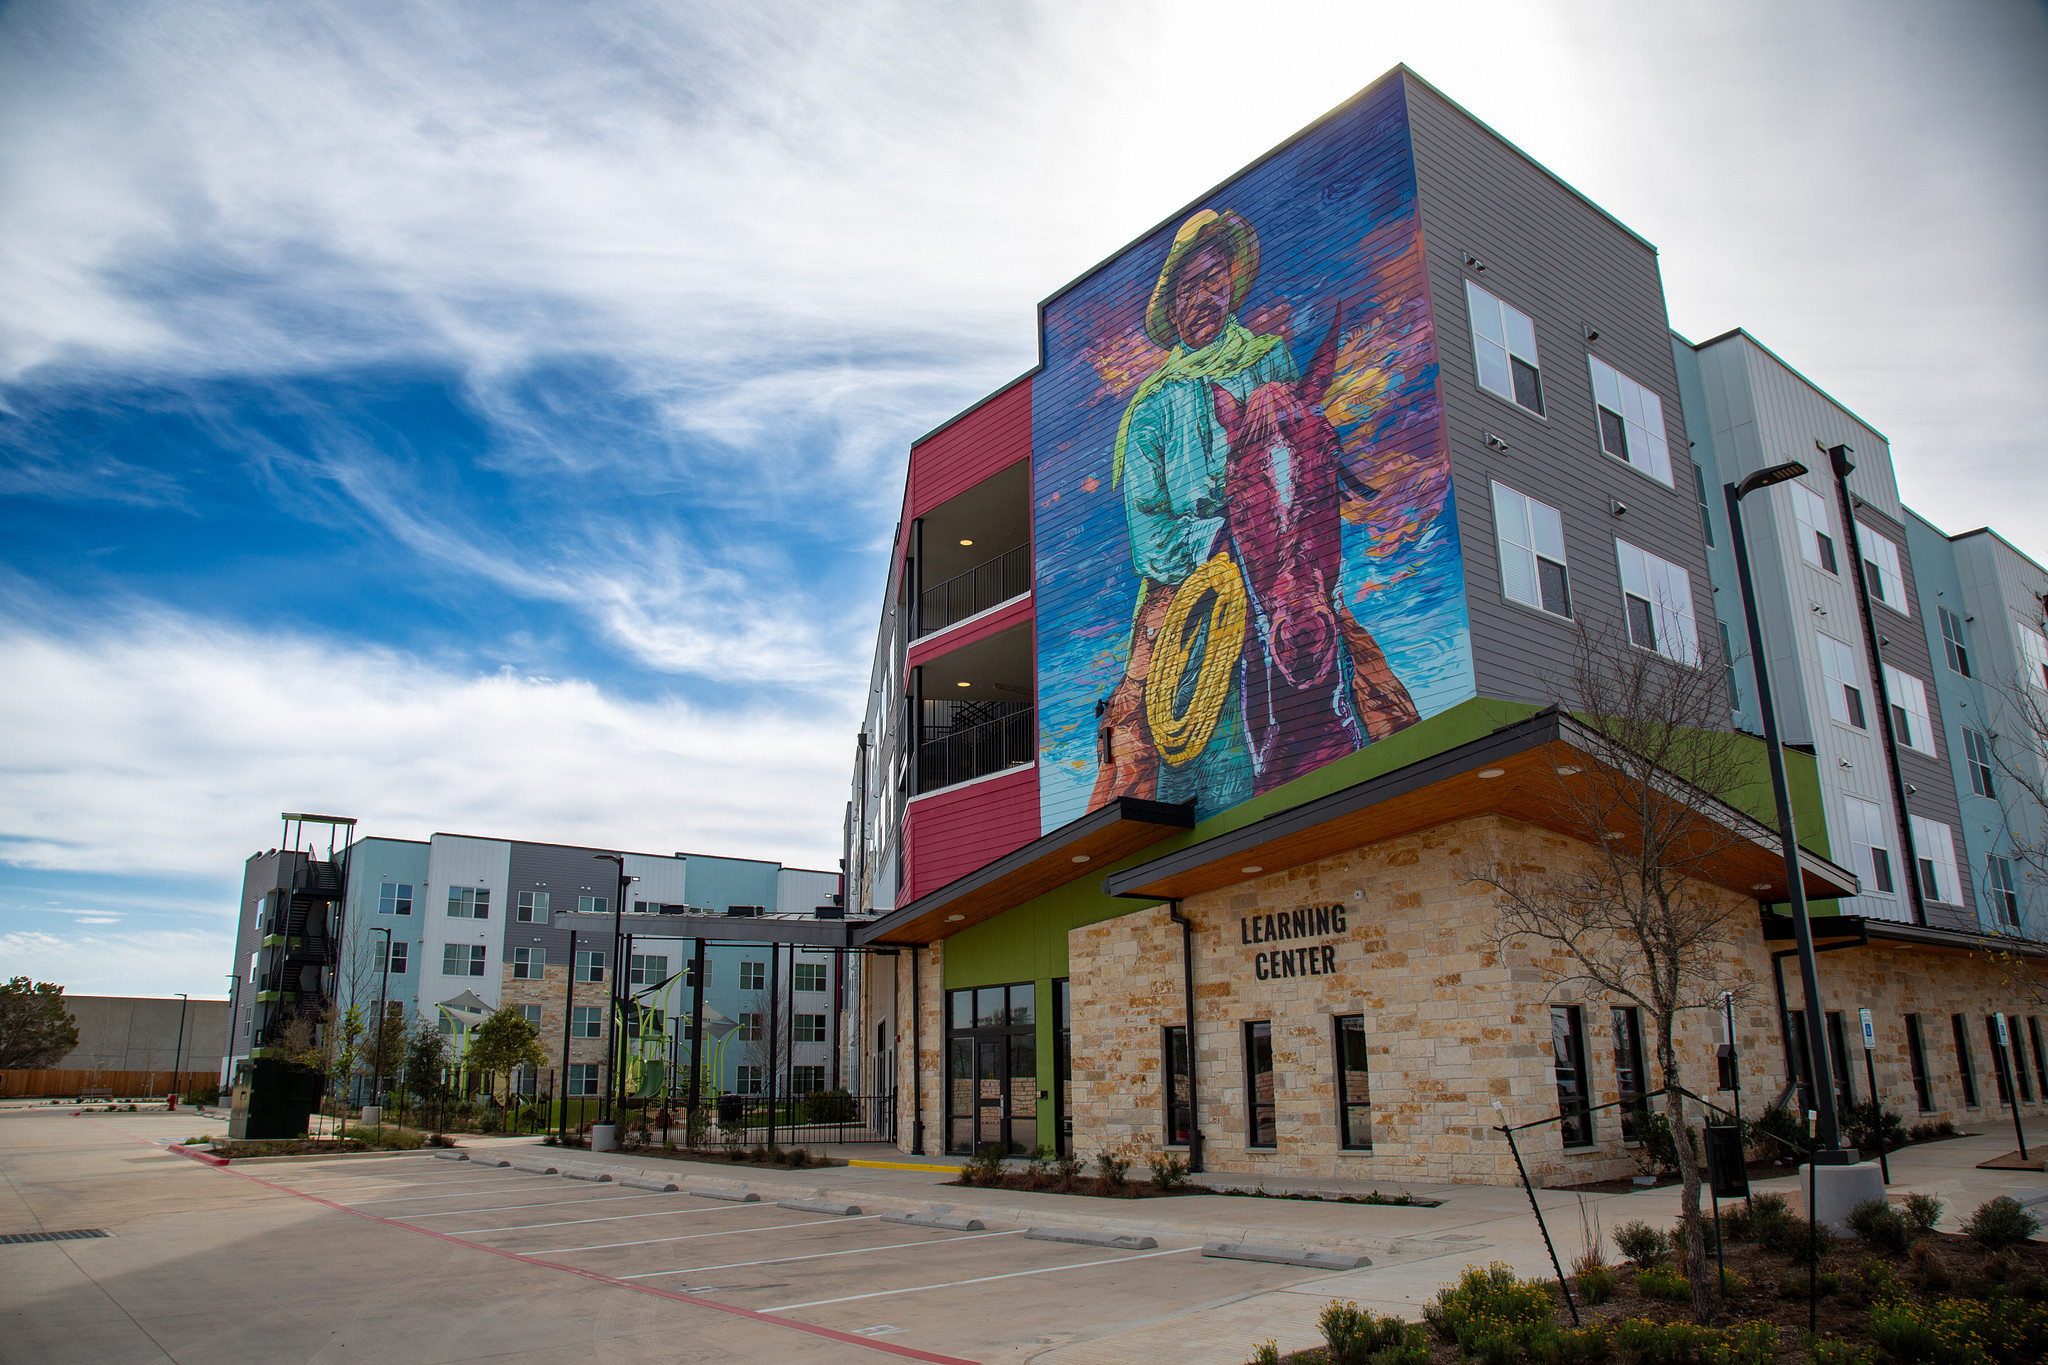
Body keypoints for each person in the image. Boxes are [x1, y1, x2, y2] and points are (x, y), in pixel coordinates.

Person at [1092, 209, 1296, 810]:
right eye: (1187, 290)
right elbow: (1149, 533)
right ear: (1173, 309)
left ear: (1231, 281)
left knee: (1370, 682)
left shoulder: (1270, 362)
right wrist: (1219, 540)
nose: (1202, 298)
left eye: (1212, 280)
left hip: (1275, 563)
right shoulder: (1152, 407)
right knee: (1136, 728)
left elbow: (1298, 456)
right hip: (1179, 588)